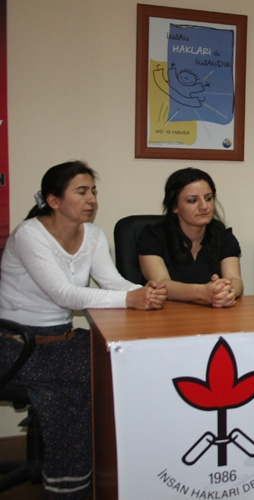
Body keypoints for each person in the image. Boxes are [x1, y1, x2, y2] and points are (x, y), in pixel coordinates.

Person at [0, 161, 166, 500]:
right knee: (88, 380)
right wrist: (129, 299)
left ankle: (120, 473)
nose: (91, 199)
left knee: (127, 364)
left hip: (61, 339)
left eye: (93, 191)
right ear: (54, 200)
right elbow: (63, 294)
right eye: (81, 191)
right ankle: (71, 486)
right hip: (19, 344)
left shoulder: (93, 235)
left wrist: (144, 292)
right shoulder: (29, 234)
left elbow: (112, 282)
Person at [138, 167, 242, 307]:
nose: (204, 206)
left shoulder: (223, 235)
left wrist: (227, 292)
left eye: (208, 198)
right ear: (174, 206)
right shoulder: (153, 236)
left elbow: (235, 279)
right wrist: (202, 292)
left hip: (212, 314)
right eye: (192, 200)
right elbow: (161, 284)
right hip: (164, 314)